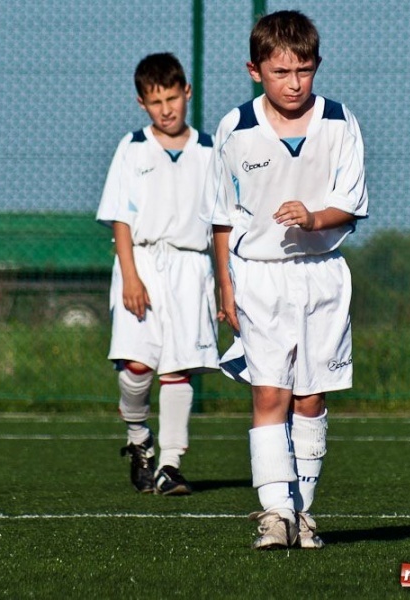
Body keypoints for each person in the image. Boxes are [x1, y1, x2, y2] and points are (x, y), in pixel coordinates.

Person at [203, 11, 368, 548]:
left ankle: (305, 513)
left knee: (311, 399)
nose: (293, 83)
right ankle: (275, 512)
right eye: (280, 72)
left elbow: (351, 203)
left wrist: (315, 218)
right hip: (259, 279)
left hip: (322, 277)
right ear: (255, 71)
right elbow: (222, 218)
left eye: (304, 69)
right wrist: (225, 289)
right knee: (270, 393)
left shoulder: (340, 122)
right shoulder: (236, 128)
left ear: (317, 66)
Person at [97, 52, 219, 496]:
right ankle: (138, 438)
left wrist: (225, 284)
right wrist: (130, 276)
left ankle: (170, 464)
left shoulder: (209, 151)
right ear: (141, 103)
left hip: (191, 266)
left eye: (172, 97)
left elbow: (222, 223)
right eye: (155, 101)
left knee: (177, 369)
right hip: (142, 262)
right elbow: (120, 219)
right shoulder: (132, 148)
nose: (166, 109)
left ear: (187, 92)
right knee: (136, 365)